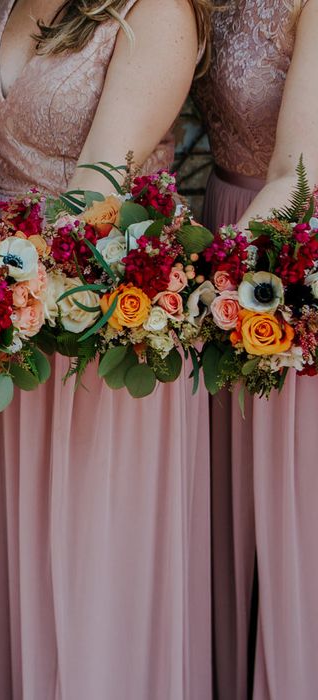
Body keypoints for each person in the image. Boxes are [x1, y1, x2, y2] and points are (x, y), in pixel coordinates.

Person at [0, 1, 212, 697]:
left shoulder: (157, 13)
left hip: (105, 326)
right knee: (26, 571)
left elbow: (95, 195)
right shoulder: (10, 4)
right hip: (5, 331)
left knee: (97, 572)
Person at [193, 1, 318, 697]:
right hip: (222, 217)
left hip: (280, 248)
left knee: (290, 509)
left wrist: (215, 277)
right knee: (232, 512)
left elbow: (299, 170)